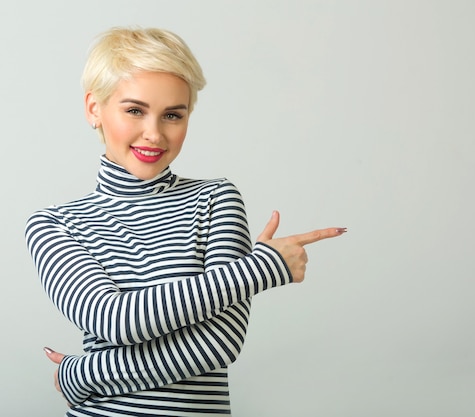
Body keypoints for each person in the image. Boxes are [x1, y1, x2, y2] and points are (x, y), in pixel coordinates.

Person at [25, 26, 346, 417]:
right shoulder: (55, 225)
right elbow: (114, 320)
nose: (154, 134)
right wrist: (262, 268)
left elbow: (219, 343)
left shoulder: (215, 199)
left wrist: (83, 374)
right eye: (134, 110)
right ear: (94, 108)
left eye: (172, 115)